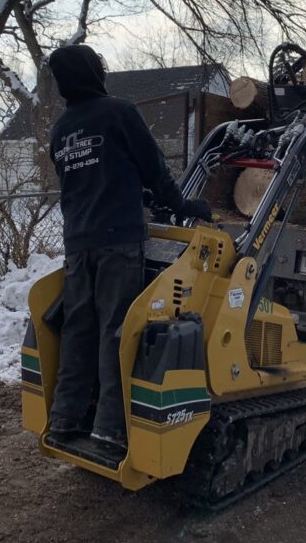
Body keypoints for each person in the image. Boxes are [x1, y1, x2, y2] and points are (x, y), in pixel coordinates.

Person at [46, 44, 211, 452]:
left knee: (78, 329)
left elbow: (91, 179)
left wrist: (135, 194)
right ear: (93, 73)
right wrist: (184, 205)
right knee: (117, 330)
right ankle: (109, 428)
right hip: (118, 241)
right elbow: (153, 167)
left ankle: (65, 418)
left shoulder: (62, 130)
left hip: (77, 245)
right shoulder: (118, 112)